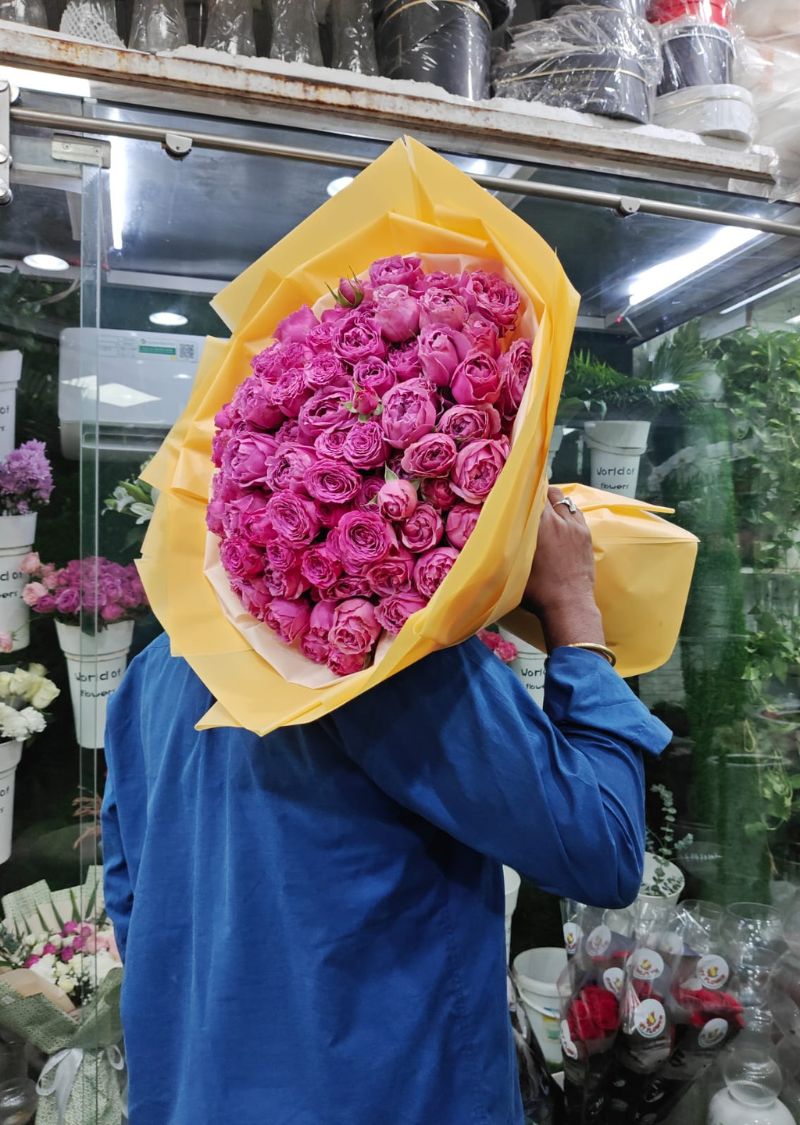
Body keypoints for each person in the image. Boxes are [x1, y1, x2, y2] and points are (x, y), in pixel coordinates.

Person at [102, 486, 670, 1125]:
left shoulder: (155, 667)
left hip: (198, 1091)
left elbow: (132, 903)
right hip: (386, 1094)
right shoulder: (389, 661)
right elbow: (603, 850)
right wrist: (573, 608)